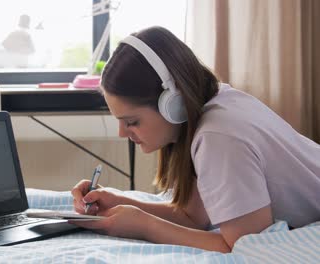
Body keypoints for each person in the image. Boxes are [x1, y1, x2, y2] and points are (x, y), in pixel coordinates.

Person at [70, 26, 320, 253]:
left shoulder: (218, 137)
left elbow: (246, 247)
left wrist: (144, 226)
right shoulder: (216, 104)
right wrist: (119, 202)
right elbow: (194, 218)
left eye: (132, 122)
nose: (122, 133)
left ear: (173, 104)